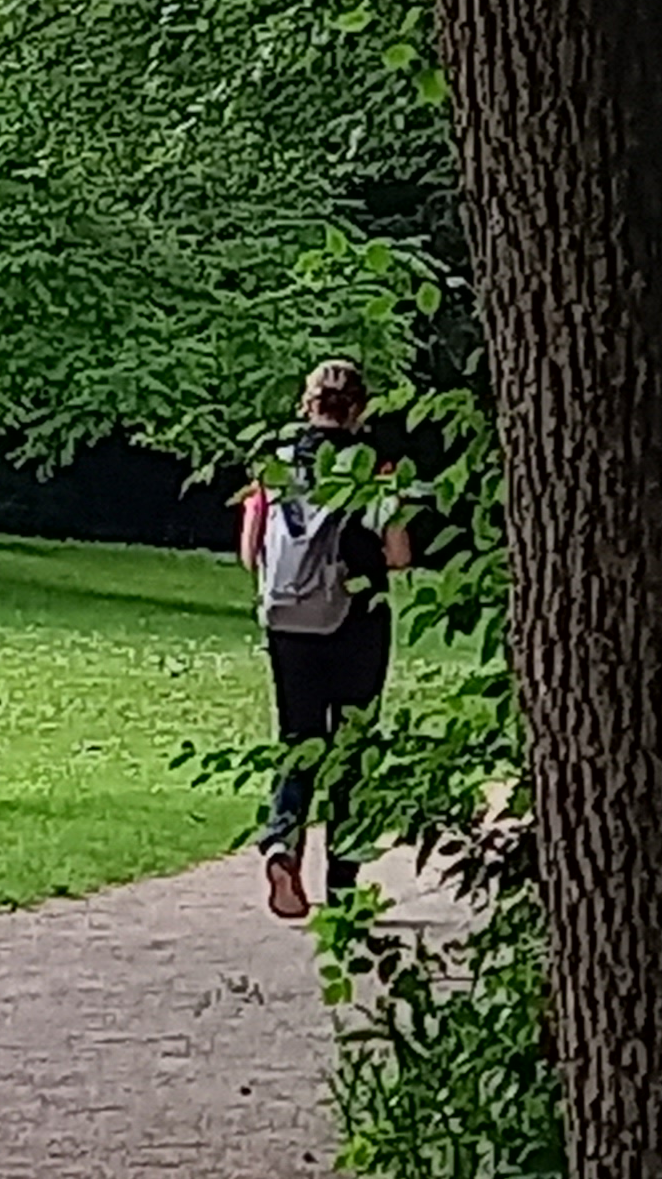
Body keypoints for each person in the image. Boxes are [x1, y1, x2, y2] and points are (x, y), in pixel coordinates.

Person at [239, 358, 412, 920]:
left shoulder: (274, 467)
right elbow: (399, 555)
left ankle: (283, 844)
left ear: (305, 404)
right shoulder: (374, 469)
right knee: (353, 746)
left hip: (289, 624)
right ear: (359, 410)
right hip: (358, 621)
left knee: (299, 738)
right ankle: (343, 886)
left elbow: (250, 553)